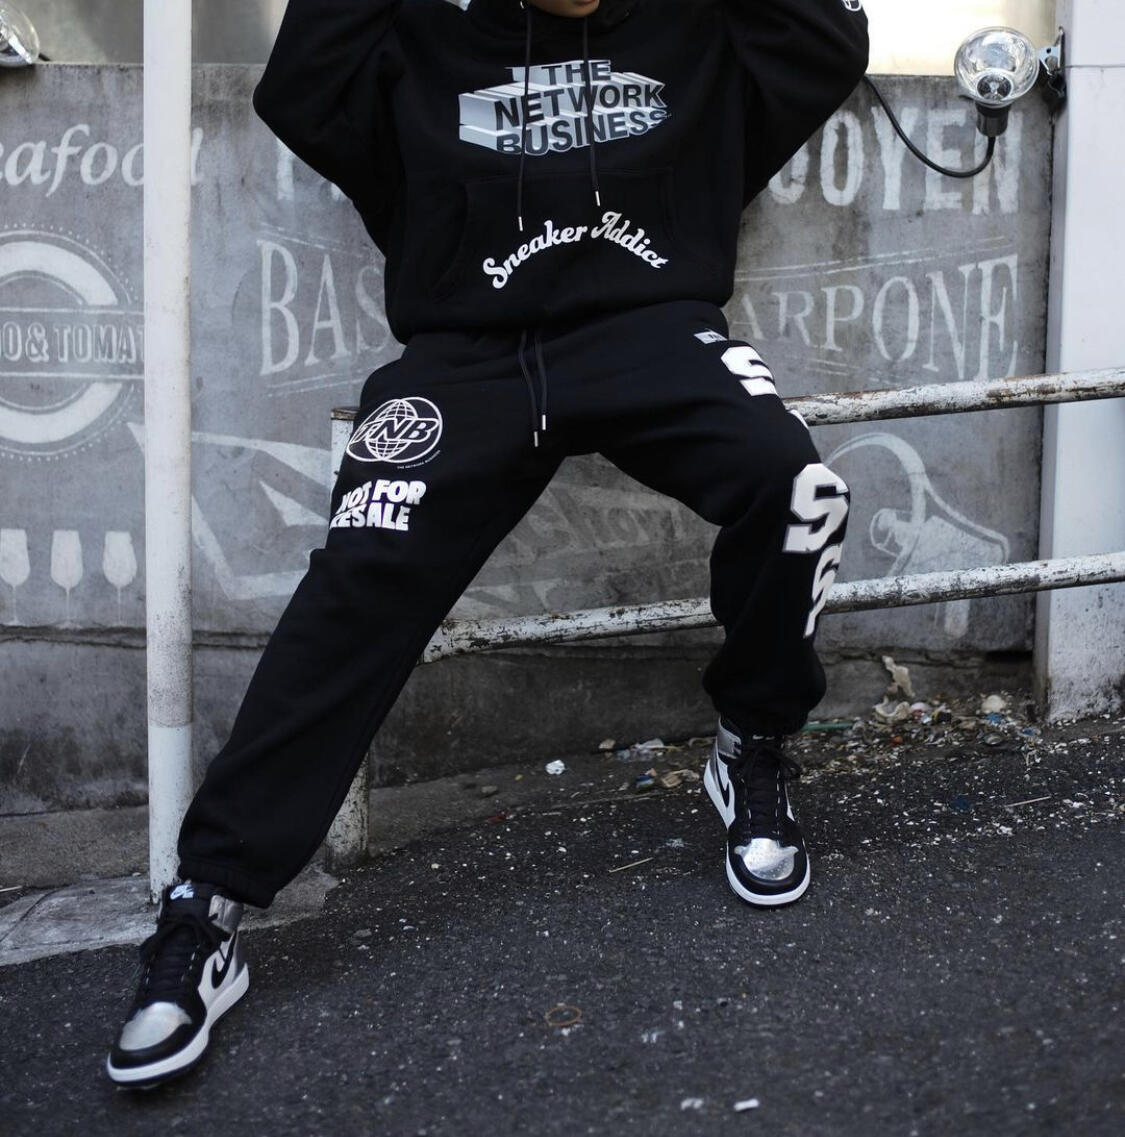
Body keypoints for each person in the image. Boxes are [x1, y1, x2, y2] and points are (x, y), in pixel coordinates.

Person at [106, 0, 868, 1088]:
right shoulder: (421, 41)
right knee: (361, 576)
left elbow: (826, 39)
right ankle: (207, 904)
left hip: (653, 335)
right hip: (463, 356)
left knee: (796, 487)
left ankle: (753, 741)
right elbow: (300, 85)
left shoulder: (695, 32)